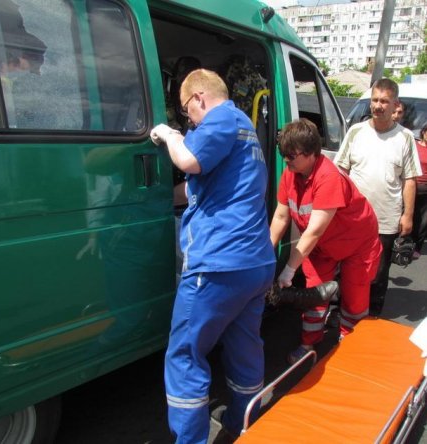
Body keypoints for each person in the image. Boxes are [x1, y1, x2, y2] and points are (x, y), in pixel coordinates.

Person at [150, 68, 276, 443]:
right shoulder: (244, 129)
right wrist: (159, 196)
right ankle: (243, 423)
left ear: (199, 98)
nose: (190, 120)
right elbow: (198, 189)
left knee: (185, 355)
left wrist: (169, 135)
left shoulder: (221, 118)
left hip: (219, 263)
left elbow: (188, 160)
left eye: (187, 111)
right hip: (255, 263)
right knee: (243, 345)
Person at [270, 118, 382, 364]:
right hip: (322, 247)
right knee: (314, 294)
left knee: (355, 299)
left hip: (356, 244)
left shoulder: (328, 177)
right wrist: (266, 255)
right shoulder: (290, 174)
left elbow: (314, 231)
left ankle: (349, 344)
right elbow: (280, 216)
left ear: (311, 153)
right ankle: (309, 343)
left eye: (291, 156)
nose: (286, 160)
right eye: (283, 154)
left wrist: (289, 270)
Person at [335, 78, 422, 315]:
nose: (377, 105)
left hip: (385, 220)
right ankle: (344, 314)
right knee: (347, 268)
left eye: (384, 101)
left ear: (395, 104)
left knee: (378, 273)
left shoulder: (405, 137)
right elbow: (340, 171)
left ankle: (372, 318)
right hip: (353, 218)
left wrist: (408, 215)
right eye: (374, 100)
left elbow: (410, 179)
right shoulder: (356, 132)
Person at [412, 123, 427, 258]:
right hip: (412, 186)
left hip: (425, 189)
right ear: (423, 132)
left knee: (423, 220)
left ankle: (417, 246)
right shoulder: (414, 146)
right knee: (408, 214)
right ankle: (401, 243)